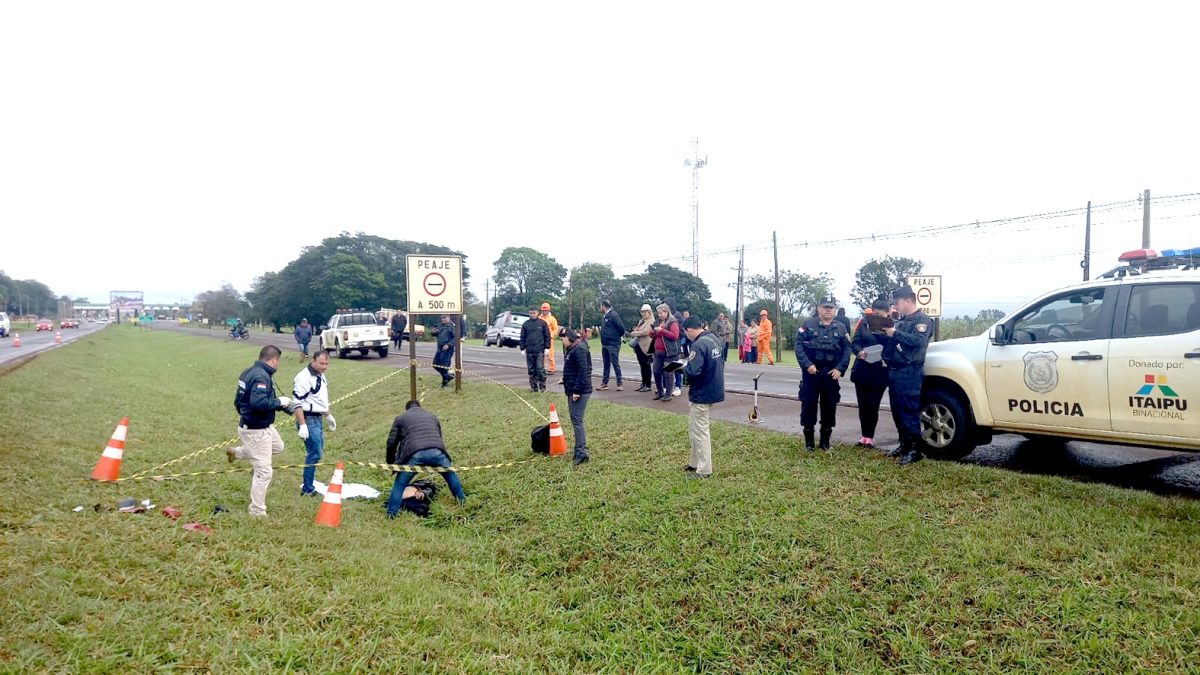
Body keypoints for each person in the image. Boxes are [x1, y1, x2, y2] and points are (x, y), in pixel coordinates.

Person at [226, 345, 296, 516]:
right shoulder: (261, 377)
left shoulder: (248, 372)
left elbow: (238, 401)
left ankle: (239, 453)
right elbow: (258, 403)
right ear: (274, 360)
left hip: (261, 426)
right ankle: (257, 510)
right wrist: (280, 402)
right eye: (278, 362)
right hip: (256, 430)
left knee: (278, 447)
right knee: (264, 472)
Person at [385, 400, 466, 517]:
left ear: (407, 409)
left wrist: (390, 462)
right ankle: (462, 502)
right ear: (419, 407)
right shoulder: (432, 416)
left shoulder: (400, 418)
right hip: (437, 451)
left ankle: (391, 515)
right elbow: (439, 436)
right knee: (450, 475)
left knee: (400, 485)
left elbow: (391, 442)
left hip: (414, 454)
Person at [883, 286, 934, 465]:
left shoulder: (922, 320)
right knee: (897, 411)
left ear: (907, 301)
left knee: (909, 410)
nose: (896, 307)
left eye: (897, 303)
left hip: (910, 371)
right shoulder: (903, 321)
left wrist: (895, 333)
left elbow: (918, 341)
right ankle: (904, 444)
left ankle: (915, 449)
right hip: (896, 371)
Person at [795, 295, 852, 451]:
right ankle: (809, 443)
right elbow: (798, 345)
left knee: (829, 407)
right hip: (812, 374)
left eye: (831, 307)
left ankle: (825, 442)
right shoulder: (808, 324)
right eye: (825, 307)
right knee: (808, 406)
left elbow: (847, 349)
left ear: (834, 310)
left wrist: (840, 368)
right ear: (819, 308)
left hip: (831, 375)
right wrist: (807, 365)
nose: (828, 310)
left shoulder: (841, 328)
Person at [681, 316, 725, 479]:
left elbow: (693, 371)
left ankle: (704, 470)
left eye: (686, 333)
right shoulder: (714, 339)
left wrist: (681, 368)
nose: (687, 336)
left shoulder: (698, 344)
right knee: (694, 428)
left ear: (689, 329)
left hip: (701, 391)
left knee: (700, 431)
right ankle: (694, 462)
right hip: (713, 387)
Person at [850, 298, 893, 449]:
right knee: (863, 405)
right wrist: (859, 352)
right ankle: (864, 436)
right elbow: (855, 343)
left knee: (873, 405)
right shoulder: (864, 323)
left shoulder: (892, 328)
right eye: (875, 313)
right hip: (863, 369)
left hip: (879, 371)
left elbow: (893, 347)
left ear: (888, 313)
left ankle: (870, 436)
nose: (877, 317)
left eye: (881, 314)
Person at [293, 350, 335, 496]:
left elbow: (318, 399)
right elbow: (297, 402)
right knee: (314, 454)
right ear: (313, 361)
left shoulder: (321, 375)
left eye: (327, 363)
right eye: (321, 363)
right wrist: (302, 424)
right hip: (308, 419)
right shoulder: (304, 378)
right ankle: (307, 489)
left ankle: (308, 485)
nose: (324, 366)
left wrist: (328, 414)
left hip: (318, 418)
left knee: (317, 453)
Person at [561, 327, 592, 466]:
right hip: (573, 387)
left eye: (563, 339)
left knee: (577, 421)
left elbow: (583, 371)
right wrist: (565, 379)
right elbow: (574, 369)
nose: (562, 341)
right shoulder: (574, 348)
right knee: (576, 420)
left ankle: (581, 452)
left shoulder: (578, 349)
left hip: (579, 390)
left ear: (569, 337)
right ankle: (578, 449)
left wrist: (577, 391)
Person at [651, 303, 681, 401]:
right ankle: (660, 392)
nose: (659, 315)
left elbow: (675, 336)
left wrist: (662, 330)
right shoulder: (657, 322)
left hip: (670, 352)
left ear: (667, 312)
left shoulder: (673, 322)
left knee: (668, 373)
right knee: (656, 372)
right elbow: (652, 335)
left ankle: (668, 394)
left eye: (661, 313)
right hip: (657, 352)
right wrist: (653, 332)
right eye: (658, 313)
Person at [519, 306, 551, 392]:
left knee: (540, 368)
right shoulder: (526, 324)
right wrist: (522, 348)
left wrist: (547, 347)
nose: (532, 314)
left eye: (534, 313)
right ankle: (533, 388)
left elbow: (547, 336)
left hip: (540, 350)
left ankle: (543, 387)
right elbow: (522, 337)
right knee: (531, 369)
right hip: (529, 350)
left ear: (538, 313)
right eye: (531, 313)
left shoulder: (542, 323)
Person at [598, 299, 626, 391]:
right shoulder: (605, 316)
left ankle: (619, 383)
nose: (600, 308)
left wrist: (617, 337)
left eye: (600, 306)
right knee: (606, 364)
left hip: (613, 344)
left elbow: (621, 328)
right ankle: (604, 383)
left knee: (615, 363)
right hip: (605, 344)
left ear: (604, 306)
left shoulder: (613, 315)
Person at [629, 303, 655, 392]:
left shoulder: (651, 321)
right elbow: (638, 329)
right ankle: (643, 383)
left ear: (649, 312)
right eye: (642, 312)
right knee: (642, 366)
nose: (643, 314)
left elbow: (646, 332)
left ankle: (648, 385)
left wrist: (635, 333)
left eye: (645, 312)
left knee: (646, 366)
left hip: (646, 347)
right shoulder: (641, 321)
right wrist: (636, 331)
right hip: (639, 346)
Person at [433, 314, 456, 388]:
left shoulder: (452, 326)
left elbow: (456, 338)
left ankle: (445, 383)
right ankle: (448, 377)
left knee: (444, 366)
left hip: (447, 349)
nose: (443, 319)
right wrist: (434, 332)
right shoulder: (440, 325)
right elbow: (438, 334)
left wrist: (449, 344)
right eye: (442, 318)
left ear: (449, 318)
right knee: (435, 364)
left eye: (444, 318)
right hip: (439, 348)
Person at [540, 302, 560, 375]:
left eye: (546, 310)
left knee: (550, 354)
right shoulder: (539, 318)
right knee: (541, 354)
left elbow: (555, 328)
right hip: (540, 339)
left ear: (549, 310)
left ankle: (552, 369)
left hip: (549, 339)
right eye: (543, 310)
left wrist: (551, 335)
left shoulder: (552, 319)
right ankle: (541, 368)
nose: (544, 312)